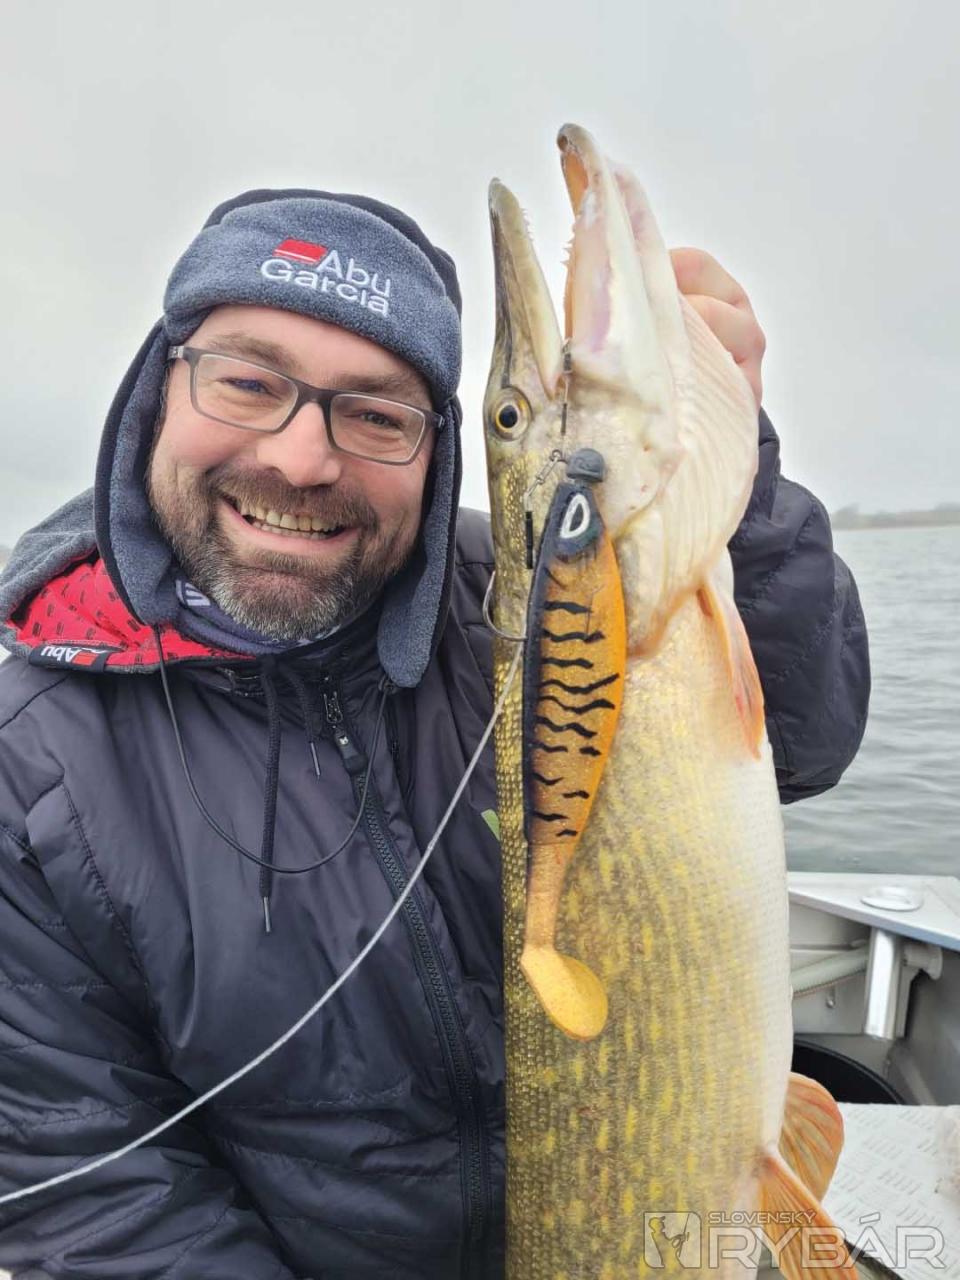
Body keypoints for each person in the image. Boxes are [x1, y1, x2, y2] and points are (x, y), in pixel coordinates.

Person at [0, 187, 869, 1279]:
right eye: (248, 381)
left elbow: (806, 737)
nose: (301, 459)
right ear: (156, 392)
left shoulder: (517, 599)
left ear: (436, 450)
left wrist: (739, 488)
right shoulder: (31, 767)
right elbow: (94, 1191)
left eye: (377, 413)